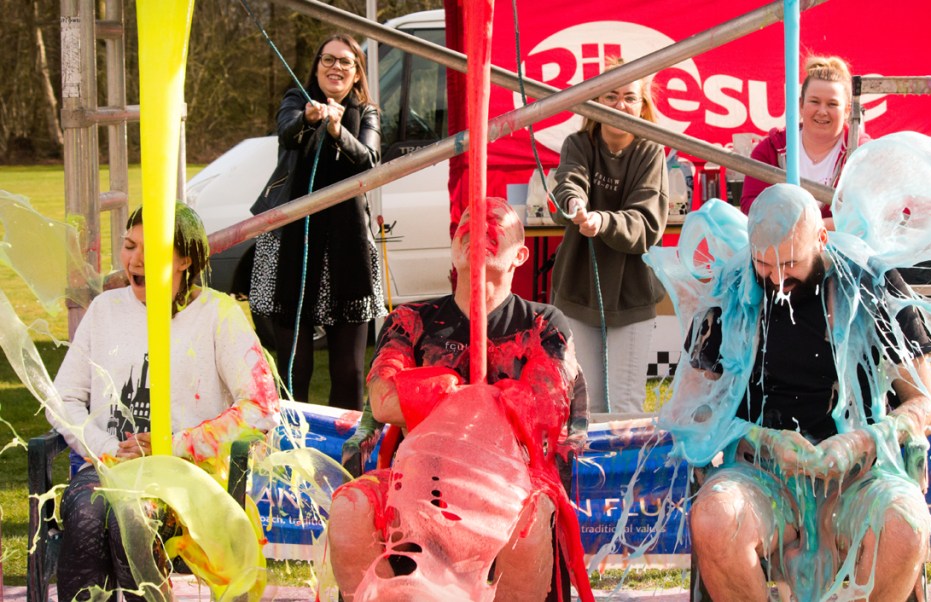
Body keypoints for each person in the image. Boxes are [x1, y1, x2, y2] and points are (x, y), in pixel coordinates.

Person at [685, 184, 931, 601]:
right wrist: (765, 440)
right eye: (764, 265)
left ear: (821, 238)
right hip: (760, 472)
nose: (778, 281)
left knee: (904, 525)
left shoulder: (871, 283)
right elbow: (694, 410)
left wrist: (862, 441)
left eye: (790, 263)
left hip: (861, 475)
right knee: (715, 517)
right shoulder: (730, 289)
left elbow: (927, 405)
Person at [328, 198, 589, 601]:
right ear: (453, 247)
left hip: (511, 485)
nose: (479, 225)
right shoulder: (410, 321)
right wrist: (476, 395)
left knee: (531, 521)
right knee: (350, 509)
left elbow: (545, 405)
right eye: (467, 220)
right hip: (417, 485)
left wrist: (430, 394)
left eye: (496, 222)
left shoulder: (543, 323)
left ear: (521, 255)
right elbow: (382, 400)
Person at [48, 202, 280, 601]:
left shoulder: (217, 315)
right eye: (129, 246)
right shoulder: (104, 310)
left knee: (131, 521)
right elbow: (63, 398)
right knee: (85, 516)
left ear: (184, 260)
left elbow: (261, 407)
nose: (135, 260)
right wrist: (106, 448)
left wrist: (173, 445)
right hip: (108, 465)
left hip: (187, 475)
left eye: (151, 250)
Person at [249, 33, 386, 410]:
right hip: (294, 244)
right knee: (294, 365)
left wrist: (338, 131)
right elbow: (287, 133)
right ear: (316, 66)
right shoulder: (296, 100)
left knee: (349, 369)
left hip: (348, 248)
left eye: (345, 62)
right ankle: (292, 436)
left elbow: (370, 161)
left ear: (357, 73)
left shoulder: (367, 112)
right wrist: (310, 118)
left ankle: (346, 440)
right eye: (328, 59)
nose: (335, 67)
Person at [547, 57, 669, 414]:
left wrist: (602, 222)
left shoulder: (651, 151)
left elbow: (646, 223)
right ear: (595, 101)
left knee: (624, 406)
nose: (620, 105)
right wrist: (574, 204)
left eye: (629, 97)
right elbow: (569, 182)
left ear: (642, 105)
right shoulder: (577, 144)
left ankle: (624, 455)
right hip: (577, 291)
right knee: (587, 404)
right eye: (611, 96)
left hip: (631, 296)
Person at [740, 56, 869, 230]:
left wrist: (816, 227)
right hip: (784, 245)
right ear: (801, 105)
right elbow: (750, 205)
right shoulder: (770, 149)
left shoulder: (863, 152)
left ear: (847, 110)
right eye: (815, 101)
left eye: (832, 104)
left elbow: (871, 214)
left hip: (844, 246)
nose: (822, 111)